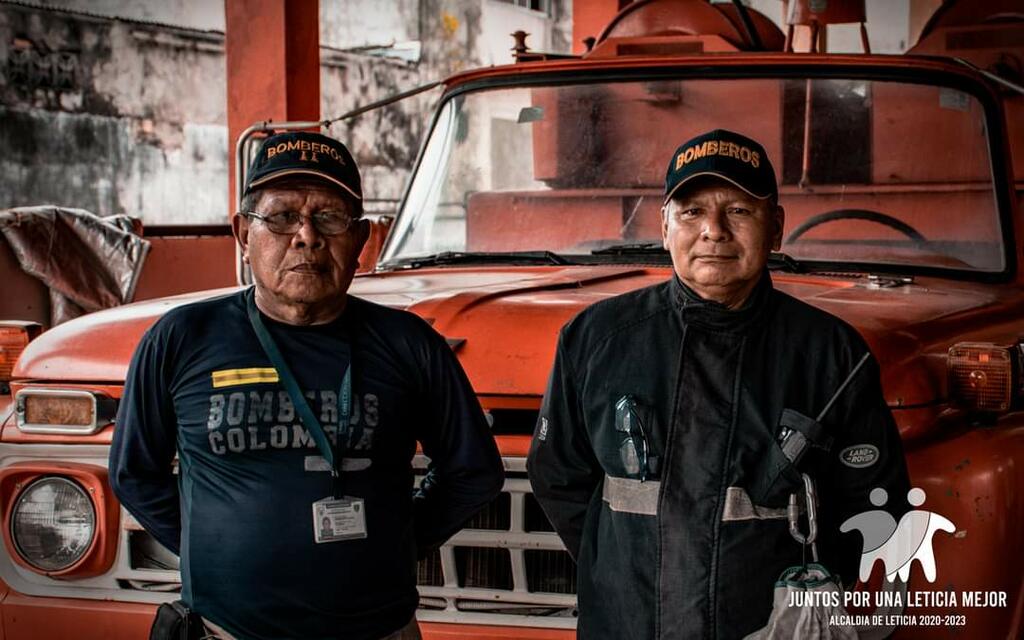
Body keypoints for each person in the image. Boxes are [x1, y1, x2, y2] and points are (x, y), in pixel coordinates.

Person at [110, 131, 504, 640]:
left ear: (361, 241)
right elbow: (134, 472)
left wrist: (393, 541)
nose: (307, 236)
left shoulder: (409, 344)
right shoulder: (181, 339)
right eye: (281, 217)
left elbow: (473, 471)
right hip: (225, 632)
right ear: (242, 235)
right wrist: (211, 547)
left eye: (330, 217)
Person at [527, 129, 910, 639]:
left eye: (739, 211)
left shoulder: (834, 355)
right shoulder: (595, 339)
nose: (713, 231)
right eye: (691, 212)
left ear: (775, 228)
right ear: (664, 227)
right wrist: (619, 569)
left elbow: (872, 504)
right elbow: (559, 478)